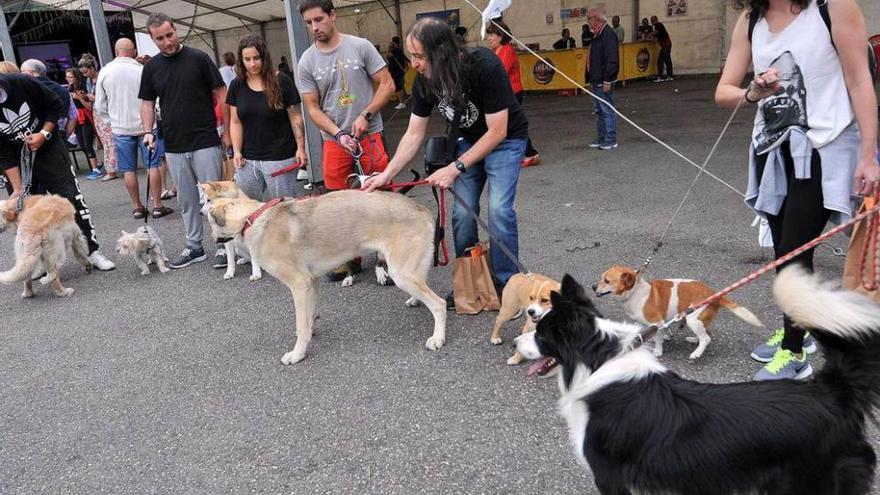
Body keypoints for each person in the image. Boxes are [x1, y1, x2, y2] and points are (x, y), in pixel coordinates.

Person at [715, 0, 878, 380]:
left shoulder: (833, 8)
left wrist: (869, 156)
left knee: (793, 251)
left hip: (825, 147)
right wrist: (752, 92)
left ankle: (793, 353)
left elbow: (859, 81)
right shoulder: (750, 18)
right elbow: (723, 90)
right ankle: (797, 331)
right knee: (782, 252)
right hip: (773, 150)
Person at [363, 18, 529, 307]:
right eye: (410, 56)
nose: (413, 64)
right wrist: (386, 175)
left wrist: (455, 168)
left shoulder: (483, 65)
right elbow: (414, 132)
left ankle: (507, 285)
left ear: (441, 52)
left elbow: (497, 131)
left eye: (418, 56)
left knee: (499, 209)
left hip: (505, 139)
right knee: (463, 214)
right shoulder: (425, 82)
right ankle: (469, 281)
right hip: (467, 140)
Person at [296, 0, 395, 281]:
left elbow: (387, 84)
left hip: (370, 134)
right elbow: (312, 108)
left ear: (333, 15)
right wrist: (338, 133)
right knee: (337, 202)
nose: (314, 27)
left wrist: (366, 114)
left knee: (380, 195)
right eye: (309, 23)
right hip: (334, 141)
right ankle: (348, 258)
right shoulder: (306, 61)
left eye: (319, 19)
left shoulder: (360, 46)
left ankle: (385, 257)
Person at [139, 12, 229, 269]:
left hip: (205, 138)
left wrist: (226, 127)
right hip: (175, 143)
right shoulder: (151, 67)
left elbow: (221, 93)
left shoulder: (199, 58)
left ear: (175, 29)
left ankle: (224, 244)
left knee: (215, 196)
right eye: (160, 39)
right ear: (152, 39)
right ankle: (195, 246)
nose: (167, 42)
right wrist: (147, 131)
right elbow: (147, 102)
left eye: (170, 35)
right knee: (186, 199)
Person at [0, 73, 115, 270]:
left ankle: (92, 250)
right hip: (18, 158)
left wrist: (44, 134)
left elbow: (55, 104)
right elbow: (1, 150)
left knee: (70, 198)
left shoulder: (20, 83)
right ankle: (41, 262)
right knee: (26, 211)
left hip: (49, 149)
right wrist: (18, 188)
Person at [95, 38, 173, 219]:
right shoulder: (142, 70)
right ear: (135, 51)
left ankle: (137, 206)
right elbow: (155, 97)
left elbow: (100, 105)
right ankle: (157, 205)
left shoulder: (105, 72)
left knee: (128, 169)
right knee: (152, 165)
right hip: (146, 126)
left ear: (116, 51)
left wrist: (111, 120)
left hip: (120, 127)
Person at [228, 34, 307, 200]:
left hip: (280, 156)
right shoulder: (237, 84)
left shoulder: (282, 81)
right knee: (244, 207)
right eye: (247, 59)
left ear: (264, 56)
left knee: (283, 209)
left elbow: (295, 118)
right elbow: (235, 122)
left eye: (256, 58)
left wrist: (301, 148)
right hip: (248, 159)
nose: (252, 64)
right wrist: (236, 151)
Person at [486, 20, 540, 167]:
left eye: (491, 35)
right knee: (509, 124)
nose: (488, 38)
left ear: (500, 36)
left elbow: (499, 72)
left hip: (513, 92)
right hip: (505, 93)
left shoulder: (506, 50)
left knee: (512, 124)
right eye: (488, 35)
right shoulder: (496, 51)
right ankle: (527, 153)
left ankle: (530, 153)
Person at [79, 56, 118, 180]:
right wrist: (83, 97)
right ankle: (112, 168)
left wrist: (93, 97)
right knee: (106, 142)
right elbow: (90, 106)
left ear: (92, 68)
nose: (85, 75)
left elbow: (110, 98)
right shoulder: (89, 82)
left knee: (110, 142)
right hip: (97, 113)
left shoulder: (103, 77)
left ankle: (112, 170)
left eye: (86, 72)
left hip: (106, 112)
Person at [586, 7, 620, 150]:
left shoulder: (607, 34)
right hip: (596, 79)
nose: (588, 22)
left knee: (606, 110)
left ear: (596, 19)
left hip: (603, 80)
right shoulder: (597, 35)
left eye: (589, 19)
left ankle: (610, 139)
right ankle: (602, 138)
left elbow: (612, 59)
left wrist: (608, 79)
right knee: (599, 111)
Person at [20, 60, 77, 143]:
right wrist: (64, 138)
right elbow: (73, 117)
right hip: (58, 135)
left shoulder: (26, 90)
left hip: (33, 137)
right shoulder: (63, 90)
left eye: (22, 72)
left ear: (29, 72)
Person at [65, 68, 101, 177]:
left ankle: (95, 169)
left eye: (71, 77)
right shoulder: (69, 88)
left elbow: (89, 107)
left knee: (87, 143)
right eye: (67, 77)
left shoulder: (83, 87)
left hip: (85, 117)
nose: (68, 79)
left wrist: (80, 98)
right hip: (76, 118)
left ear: (76, 77)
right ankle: (97, 164)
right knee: (82, 144)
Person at [387, 36, 410, 110]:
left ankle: (401, 103)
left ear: (393, 42)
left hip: (395, 71)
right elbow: (405, 59)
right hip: (400, 71)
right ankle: (405, 100)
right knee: (401, 86)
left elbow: (387, 56)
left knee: (398, 87)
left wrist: (389, 48)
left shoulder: (393, 51)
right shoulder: (400, 50)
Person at [651, 15, 674, 82]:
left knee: (660, 60)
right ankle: (670, 76)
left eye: (652, 20)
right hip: (667, 44)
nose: (651, 22)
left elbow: (654, 33)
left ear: (655, 20)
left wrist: (647, 36)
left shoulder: (659, 25)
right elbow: (656, 37)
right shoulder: (657, 26)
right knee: (667, 60)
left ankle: (660, 77)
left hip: (666, 45)